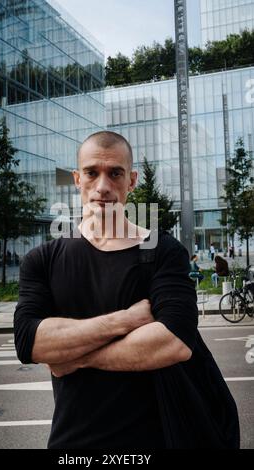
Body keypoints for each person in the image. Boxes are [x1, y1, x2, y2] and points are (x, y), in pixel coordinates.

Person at [14, 131, 239, 449]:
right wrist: (126, 320)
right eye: (92, 173)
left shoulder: (163, 251)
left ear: (131, 180)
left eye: (115, 173)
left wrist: (75, 357)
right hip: (74, 444)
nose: (103, 186)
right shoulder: (43, 260)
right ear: (77, 179)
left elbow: (175, 342)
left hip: (158, 439)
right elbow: (29, 342)